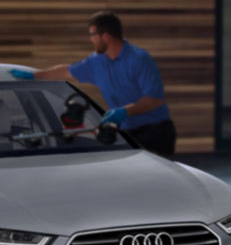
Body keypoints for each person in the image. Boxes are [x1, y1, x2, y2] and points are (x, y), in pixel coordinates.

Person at [11, 12, 177, 158]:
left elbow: (154, 100)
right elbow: (67, 72)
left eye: (92, 35)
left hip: (156, 133)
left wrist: (124, 111)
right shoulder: (97, 62)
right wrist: (36, 75)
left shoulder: (139, 59)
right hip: (126, 133)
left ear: (105, 36)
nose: (91, 39)